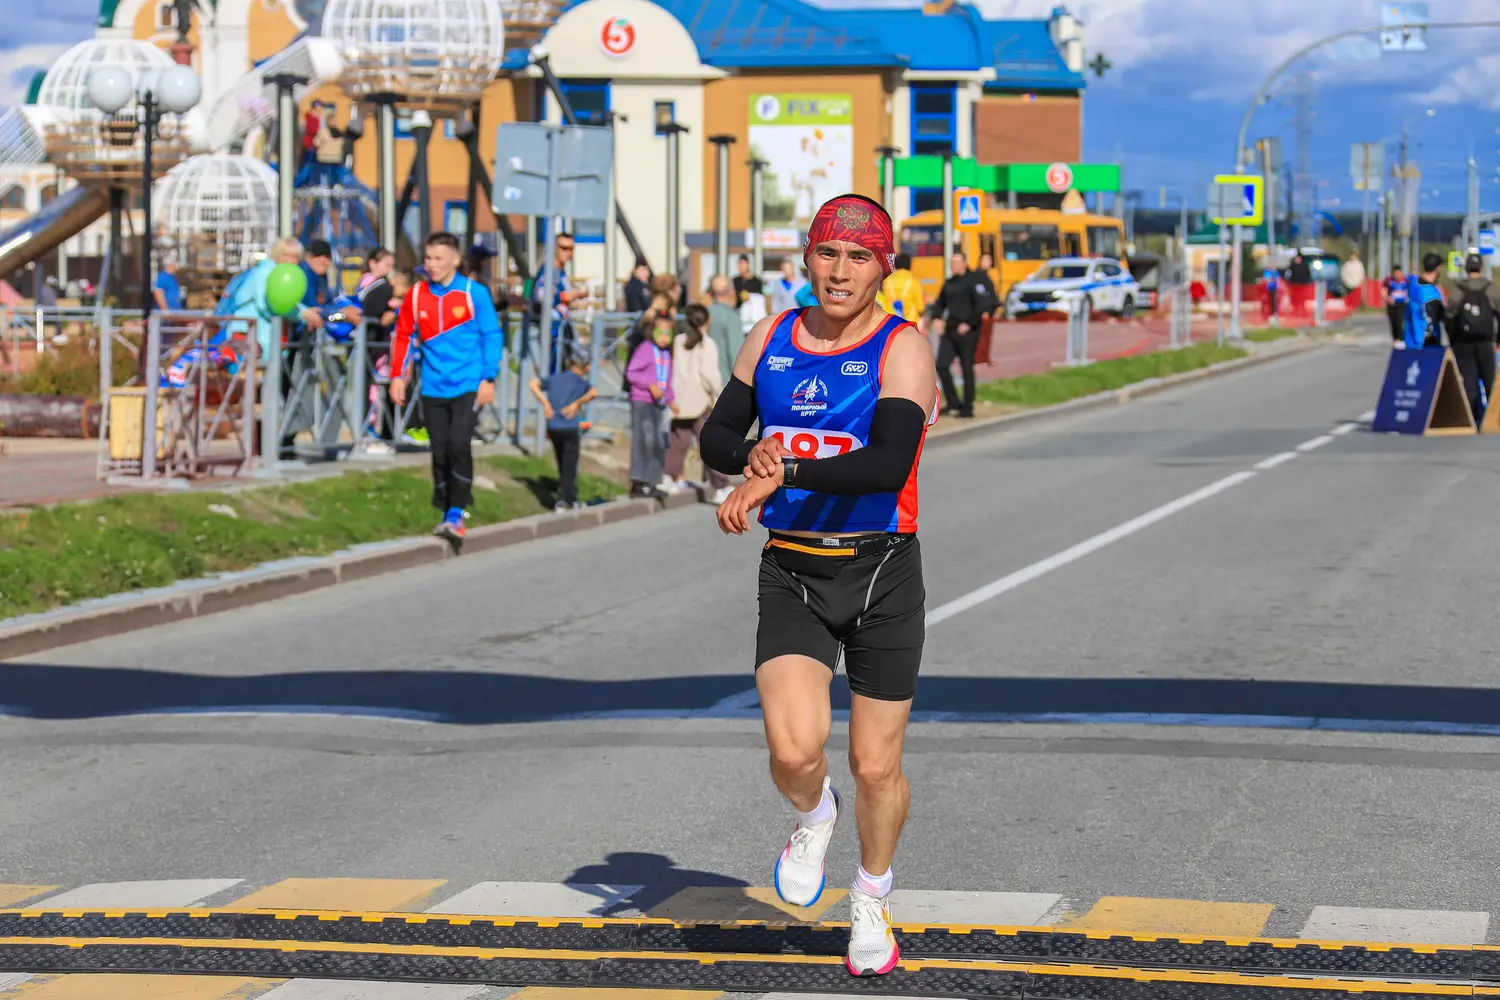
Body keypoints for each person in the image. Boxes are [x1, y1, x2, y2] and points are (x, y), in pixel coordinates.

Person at [699, 193, 938, 979]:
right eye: (828, 254)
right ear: (807, 258)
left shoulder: (902, 348)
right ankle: (813, 816)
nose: (840, 272)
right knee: (794, 750)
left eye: (859, 257)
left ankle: (870, 896)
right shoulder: (771, 337)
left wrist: (785, 470)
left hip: (881, 572)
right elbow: (715, 435)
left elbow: (888, 463)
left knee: (875, 765)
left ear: (883, 268)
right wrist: (752, 456)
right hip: (794, 570)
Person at [389, 232, 504, 542]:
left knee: (458, 444)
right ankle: (445, 507)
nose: (432, 264)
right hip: (433, 385)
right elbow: (403, 335)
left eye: (438, 258)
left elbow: (492, 335)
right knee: (439, 451)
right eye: (428, 258)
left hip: (468, 383)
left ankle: (457, 510)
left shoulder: (473, 293)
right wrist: (397, 376)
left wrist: (488, 378)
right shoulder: (416, 295)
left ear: (455, 260)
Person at [666, 303, 730, 501]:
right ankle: (720, 486)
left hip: (679, 400)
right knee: (709, 444)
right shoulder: (707, 343)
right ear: (707, 321)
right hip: (700, 400)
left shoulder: (678, 341)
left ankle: (668, 478)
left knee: (678, 442)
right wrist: (719, 393)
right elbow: (709, 374)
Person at [529, 352, 598, 512]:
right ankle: (566, 500)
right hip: (570, 427)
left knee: (561, 461)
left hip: (553, 427)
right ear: (585, 367)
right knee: (570, 465)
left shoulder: (555, 378)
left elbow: (533, 383)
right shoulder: (581, 382)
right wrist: (577, 403)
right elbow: (594, 393)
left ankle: (568, 498)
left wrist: (545, 403)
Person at [626, 310, 677, 497]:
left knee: (658, 442)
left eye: (667, 334)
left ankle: (653, 481)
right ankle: (639, 482)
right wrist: (650, 385)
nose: (663, 338)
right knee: (644, 440)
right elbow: (632, 372)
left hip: (659, 403)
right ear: (652, 332)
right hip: (642, 400)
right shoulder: (646, 349)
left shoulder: (667, 354)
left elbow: (666, 381)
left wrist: (671, 400)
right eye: (659, 333)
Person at [1444, 253, 1500, 422]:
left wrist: (1453, 339)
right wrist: (1498, 340)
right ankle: (1494, 419)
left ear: (1466, 268)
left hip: (1463, 343)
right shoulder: (1491, 288)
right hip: (1485, 342)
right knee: (1490, 380)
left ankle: (1471, 418)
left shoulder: (1458, 289)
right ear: (1481, 267)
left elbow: (1449, 316)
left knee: (1469, 381)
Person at [931, 251, 983, 418]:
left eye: (956, 262)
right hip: (951, 330)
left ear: (964, 263)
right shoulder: (949, 282)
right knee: (942, 365)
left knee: (966, 368)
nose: (953, 266)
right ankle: (953, 402)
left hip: (968, 332)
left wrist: (969, 324)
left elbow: (980, 305)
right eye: (951, 263)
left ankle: (967, 407)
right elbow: (939, 303)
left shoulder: (973, 281)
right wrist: (937, 318)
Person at [706, 275, 745, 386]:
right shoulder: (731, 318)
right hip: (724, 382)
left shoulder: (704, 314)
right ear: (732, 292)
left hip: (703, 381)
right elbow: (736, 356)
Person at [1404, 252, 1446, 350]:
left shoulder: (1413, 284)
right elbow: (1437, 318)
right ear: (1437, 268)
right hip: (1426, 343)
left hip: (1410, 340)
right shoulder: (1432, 294)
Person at [877, 253, 925, 324]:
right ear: (910, 266)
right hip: (910, 324)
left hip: (890, 323)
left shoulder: (887, 281)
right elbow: (920, 307)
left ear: (895, 265)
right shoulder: (914, 282)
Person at [1383, 266, 1409, 347]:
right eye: (1395, 273)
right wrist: (1387, 298)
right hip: (1392, 305)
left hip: (1402, 304)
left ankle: (1401, 339)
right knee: (1393, 323)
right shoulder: (1389, 280)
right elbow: (1383, 291)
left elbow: (1409, 290)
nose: (1397, 275)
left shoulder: (1406, 280)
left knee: (1399, 322)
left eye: (1399, 273)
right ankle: (1395, 339)